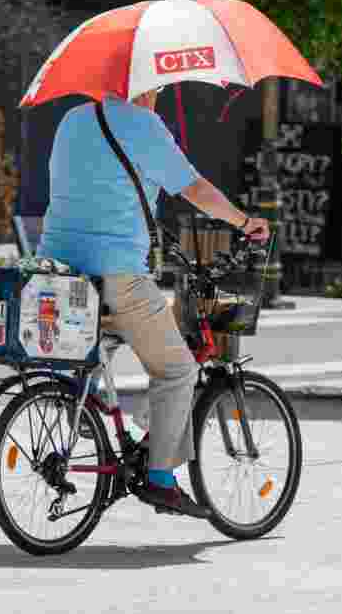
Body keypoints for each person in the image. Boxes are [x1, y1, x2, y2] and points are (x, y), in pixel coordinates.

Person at [36, 88, 270, 519]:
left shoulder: (71, 121)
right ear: (145, 83)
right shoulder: (143, 124)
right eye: (158, 87)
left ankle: (102, 409)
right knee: (177, 369)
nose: (159, 95)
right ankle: (160, 478)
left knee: (112, 339)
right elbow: (195, 189)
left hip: (59, 275)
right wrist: (244, 221)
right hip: (117, 274)